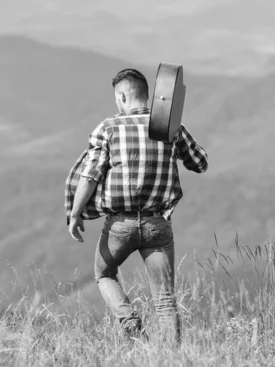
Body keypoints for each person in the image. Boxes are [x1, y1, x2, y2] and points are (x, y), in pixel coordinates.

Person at [64, 68, 208, 345]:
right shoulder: (169, 127)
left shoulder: (108, 128)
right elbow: (200, 163)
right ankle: (169, 361)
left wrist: (75, 214)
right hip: (158, 225)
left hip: (120, 224)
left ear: (121, 96)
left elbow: (89, 176)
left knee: (104, 274)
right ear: (148, 95)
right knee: (165, 299)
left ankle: (130, 324)